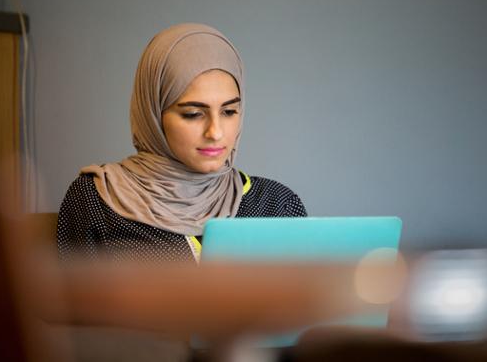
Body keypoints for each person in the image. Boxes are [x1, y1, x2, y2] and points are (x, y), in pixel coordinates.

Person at [57, 23, 307, 263]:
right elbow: (72, 304)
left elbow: (310, 301)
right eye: (193, 114)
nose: (215, 132)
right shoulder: (97, 199)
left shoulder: (276, 204)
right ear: (153, 113)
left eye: (229, 111)